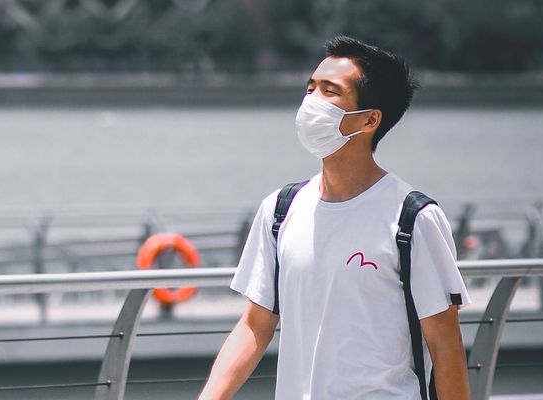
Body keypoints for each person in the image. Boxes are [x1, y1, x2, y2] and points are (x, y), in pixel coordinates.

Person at [199, 36, 471, 400]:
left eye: (330, 91)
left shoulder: (413, 218)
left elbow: (445, 344)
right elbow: (255, 325)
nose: (311, 101)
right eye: (310, 88)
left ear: (370, 119)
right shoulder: (280, 209)